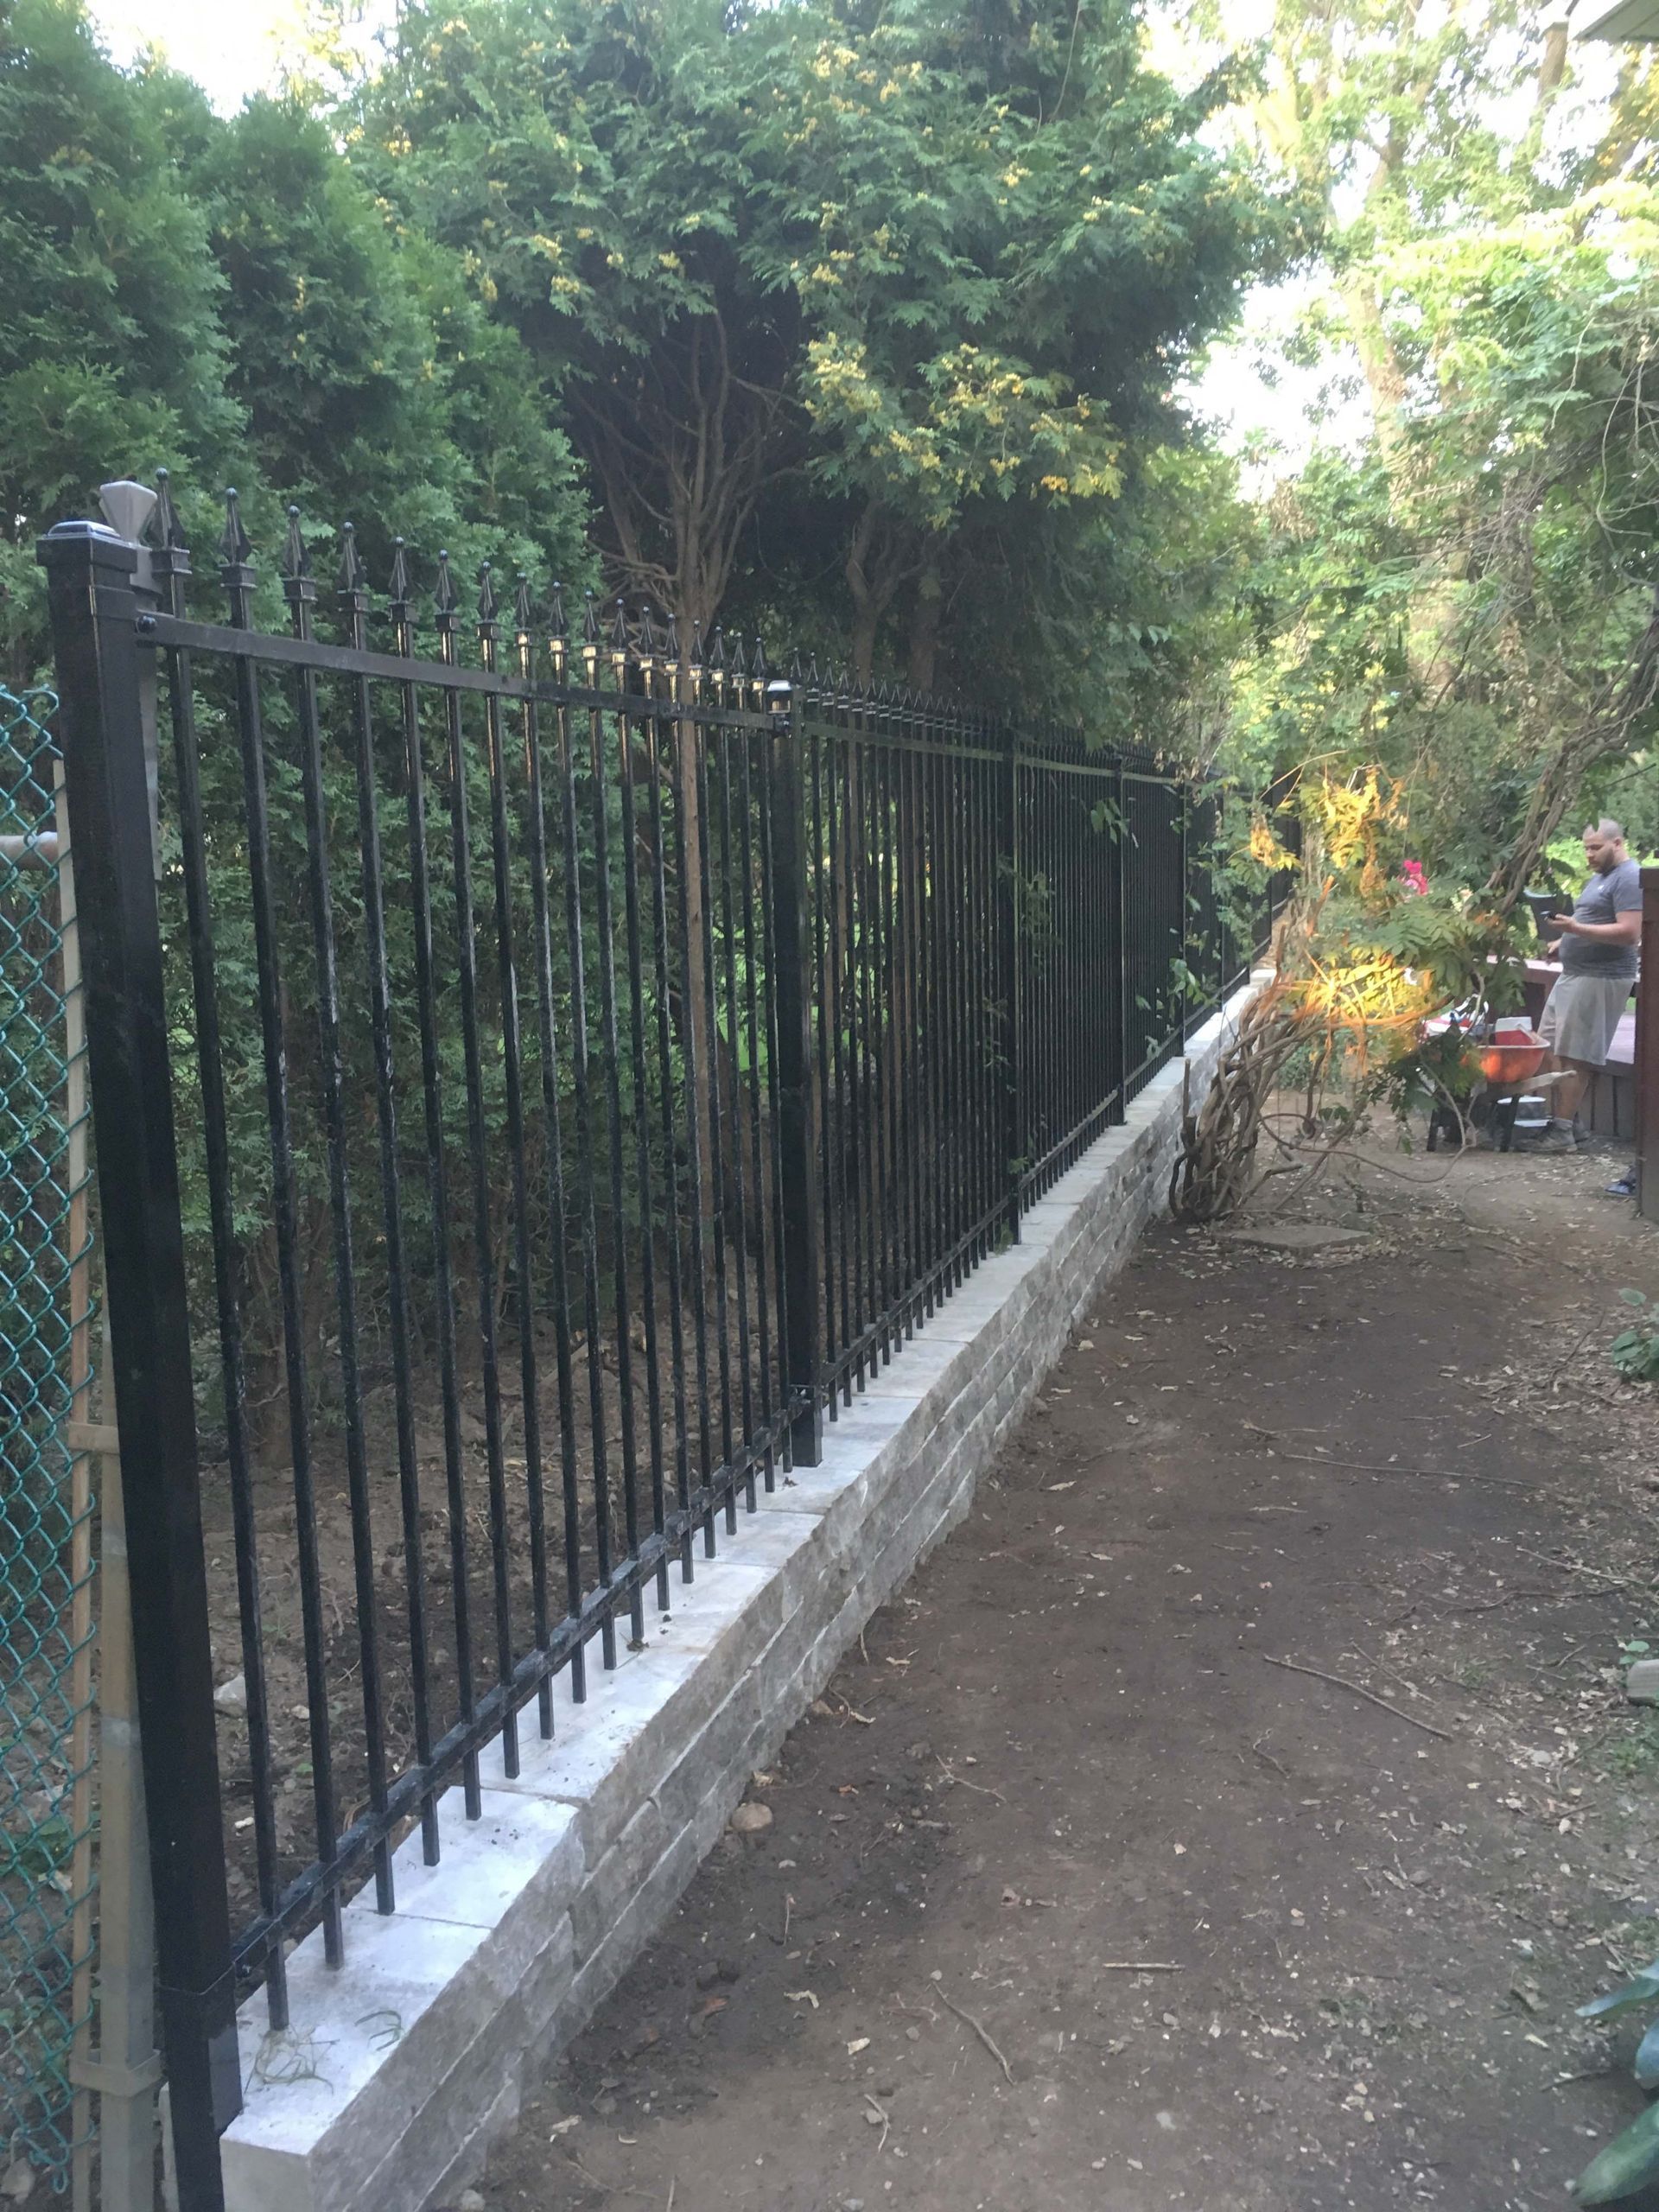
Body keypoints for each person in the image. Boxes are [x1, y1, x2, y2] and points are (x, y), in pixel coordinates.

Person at [1537, 819, 1641, 1168]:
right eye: (1586, 848)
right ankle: (1572, 1123)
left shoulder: (1629, 878)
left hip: (1601, 978)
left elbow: (1630, 933)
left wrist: (1575, 928)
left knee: (1575, 1056)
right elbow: (1592, 921)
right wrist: (1563, 941)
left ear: (1618, 842)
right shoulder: (1600, 879)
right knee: (1549, 1047)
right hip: (1574, 974)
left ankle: (1562, 1131)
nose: (1589, 854)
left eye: (1596, 847)